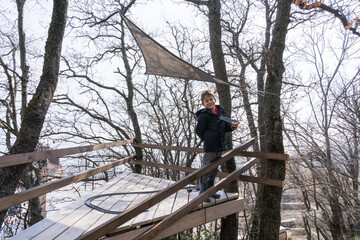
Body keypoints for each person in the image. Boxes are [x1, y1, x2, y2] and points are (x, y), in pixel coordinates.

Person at [195, 89, 239, 202]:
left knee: (214, 170)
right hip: (210, 147)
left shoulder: (221, 112)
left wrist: (233, 126)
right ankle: (203, 194)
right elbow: (198, 131)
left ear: (214, 99)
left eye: (211, 99)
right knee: (206, 169)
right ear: (203, 104)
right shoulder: (204, 115)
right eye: (206, 101)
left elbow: (226, 128)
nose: (209, 102)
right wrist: (207, 138)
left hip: (220, 145)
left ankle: (211, 192)